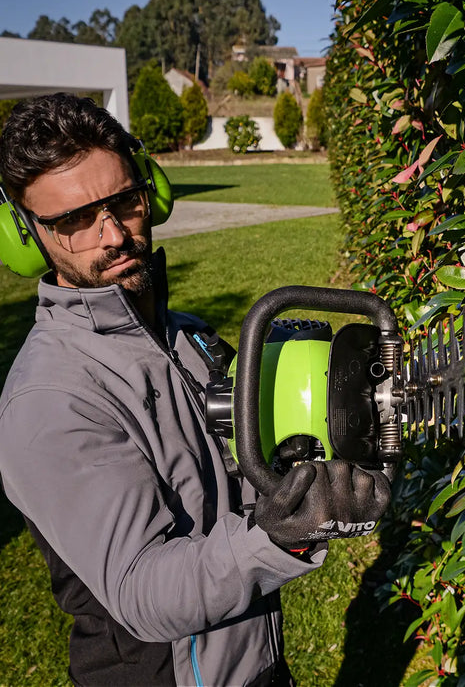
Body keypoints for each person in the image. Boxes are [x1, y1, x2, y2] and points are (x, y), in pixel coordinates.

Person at [0, 93, 391, 686]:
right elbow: (143, 592)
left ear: (150, 189)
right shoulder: (51, 401)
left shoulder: (183, 337)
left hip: (254, 658)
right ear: (25, 237)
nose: (111, 235)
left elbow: (232, 475)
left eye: (124, 201)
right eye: (74, 221)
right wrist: (283, 536)